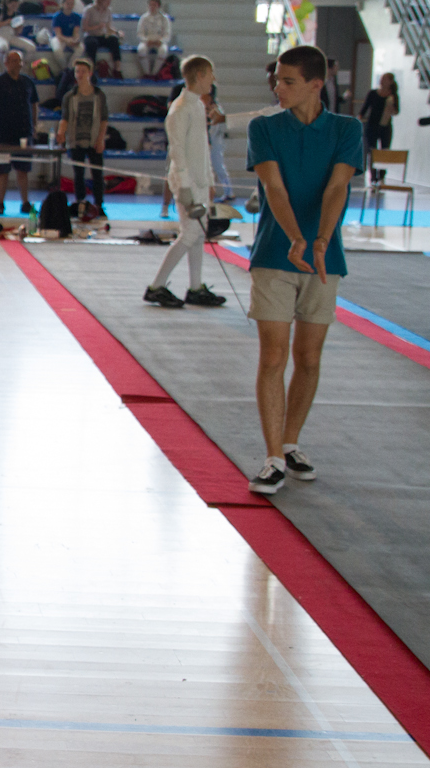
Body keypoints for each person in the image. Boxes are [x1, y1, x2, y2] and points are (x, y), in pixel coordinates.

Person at [243, 45, 365, 493]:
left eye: (288, 81)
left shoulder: (347, 129)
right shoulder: (264, 127)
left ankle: (292, 442)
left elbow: (337, 187)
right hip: (274, 255)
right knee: (273, 356)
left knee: (309, 358)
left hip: (324, 261)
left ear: (316, 84)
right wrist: (296, 237)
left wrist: (320, 240)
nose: (278, 87)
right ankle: (273, 456)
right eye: (277, 79)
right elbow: (273, 187)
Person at [145, 55, 226, 310]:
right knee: (190, 234)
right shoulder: (179, 109)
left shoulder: (198, 106)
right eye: (210, 74)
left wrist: (209, 180)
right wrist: (185, 187)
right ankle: (156, 286)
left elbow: (202, 149)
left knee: (198, 234)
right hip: (186, 183)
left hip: (199, 181)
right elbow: (177, 152)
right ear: (199, 76)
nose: (213, 79)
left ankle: (195, 287)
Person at [0, 49, 39, 215]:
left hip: (23, 132)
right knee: (2, 171)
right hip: (2, 132)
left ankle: (25, 202)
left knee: (23, 170)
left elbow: (34, 104)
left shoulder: (27, 82)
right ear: (6, 63)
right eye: (13, 61)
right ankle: (0, 203)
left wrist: (34, 125)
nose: (17, 64)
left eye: (19, 61)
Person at [57, 59, 110, 219]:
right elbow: (65, 117)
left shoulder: (99, 95)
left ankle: (99, 205)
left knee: (97, 174)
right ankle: (80, 204)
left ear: (90, 73)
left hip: (94, 139)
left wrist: (101, 139)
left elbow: (104, 119)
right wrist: (61, 133)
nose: (79, 74)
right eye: (77, 71)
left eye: (83, 71)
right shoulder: (69, 96)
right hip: (76, 139)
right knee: (78, 174)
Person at [359, 72, 398, 183]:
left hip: (385, 126)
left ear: (390, 82)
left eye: (384, 79)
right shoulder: (373, 93)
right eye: (381, 79)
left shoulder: (393, 96)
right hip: (372, 126)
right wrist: (359, 118)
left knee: (384, 150)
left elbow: (396, 111)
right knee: (372, 151)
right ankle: (373, 175)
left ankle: (382, 175)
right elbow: (365, 108)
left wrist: (391, 105)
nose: (382, 81)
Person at [81, 0, 123, 77]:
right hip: (91, 35)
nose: (109, 3)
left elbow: (108, 27)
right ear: (101, 0)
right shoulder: (89, 10)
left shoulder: (108, 11)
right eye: (107, 1)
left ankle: (117, 69)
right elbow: (84, 28)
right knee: (92, 43)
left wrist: (117, 33)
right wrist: (97, 26)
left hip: (102, 35)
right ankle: (92, 69)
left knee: (114, 40)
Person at [0, 0, 35, 66]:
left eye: (16, 5)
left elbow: (18, 32)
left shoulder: (17, 14)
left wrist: (19, 27)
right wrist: (6, 22)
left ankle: (23, 66)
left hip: (11, 36)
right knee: (3, 47)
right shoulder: (0, 11)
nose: (14, 7)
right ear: (7, 4)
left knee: (31, 47)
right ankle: (5, 68)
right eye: (13, 5)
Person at [135, 0, 172, 78]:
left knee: (163, 51)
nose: (152, 7)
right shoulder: (144, 18)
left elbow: (167, 34)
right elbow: (139, 33)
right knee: (141, 49)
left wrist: (161, 41)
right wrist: (146, 40)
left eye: (154, 5)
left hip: (159, 41)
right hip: (147, 41)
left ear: (158, 6)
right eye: (150, 5)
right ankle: (147, 73)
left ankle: (155, 73)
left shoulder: (164, 18)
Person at [47, 0, 84, 74]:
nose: (70, 6)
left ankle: (70, 68)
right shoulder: (57, 16)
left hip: (70, 37)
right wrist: (67, 40)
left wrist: (75, 40)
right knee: (57, 49)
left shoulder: (76, 17)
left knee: (81, 48)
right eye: (68, 3)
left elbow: (76, 32)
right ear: (63, 4)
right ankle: (64, 68)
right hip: (59, 38)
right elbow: (58, 34)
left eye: (72, 4)